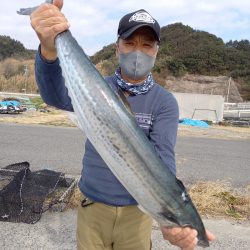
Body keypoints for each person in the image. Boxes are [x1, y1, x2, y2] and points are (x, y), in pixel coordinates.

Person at [30, 1, 215, 249]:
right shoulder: (97, 87)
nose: (138, 51)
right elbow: (54, 96)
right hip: (92, 207)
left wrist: (167, 220)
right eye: (130, 43)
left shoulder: (165, 102)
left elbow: (163, 160)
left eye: (147, 45)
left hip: (135, 216)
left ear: (156, 51)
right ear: (117, 48)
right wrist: (49, 49)